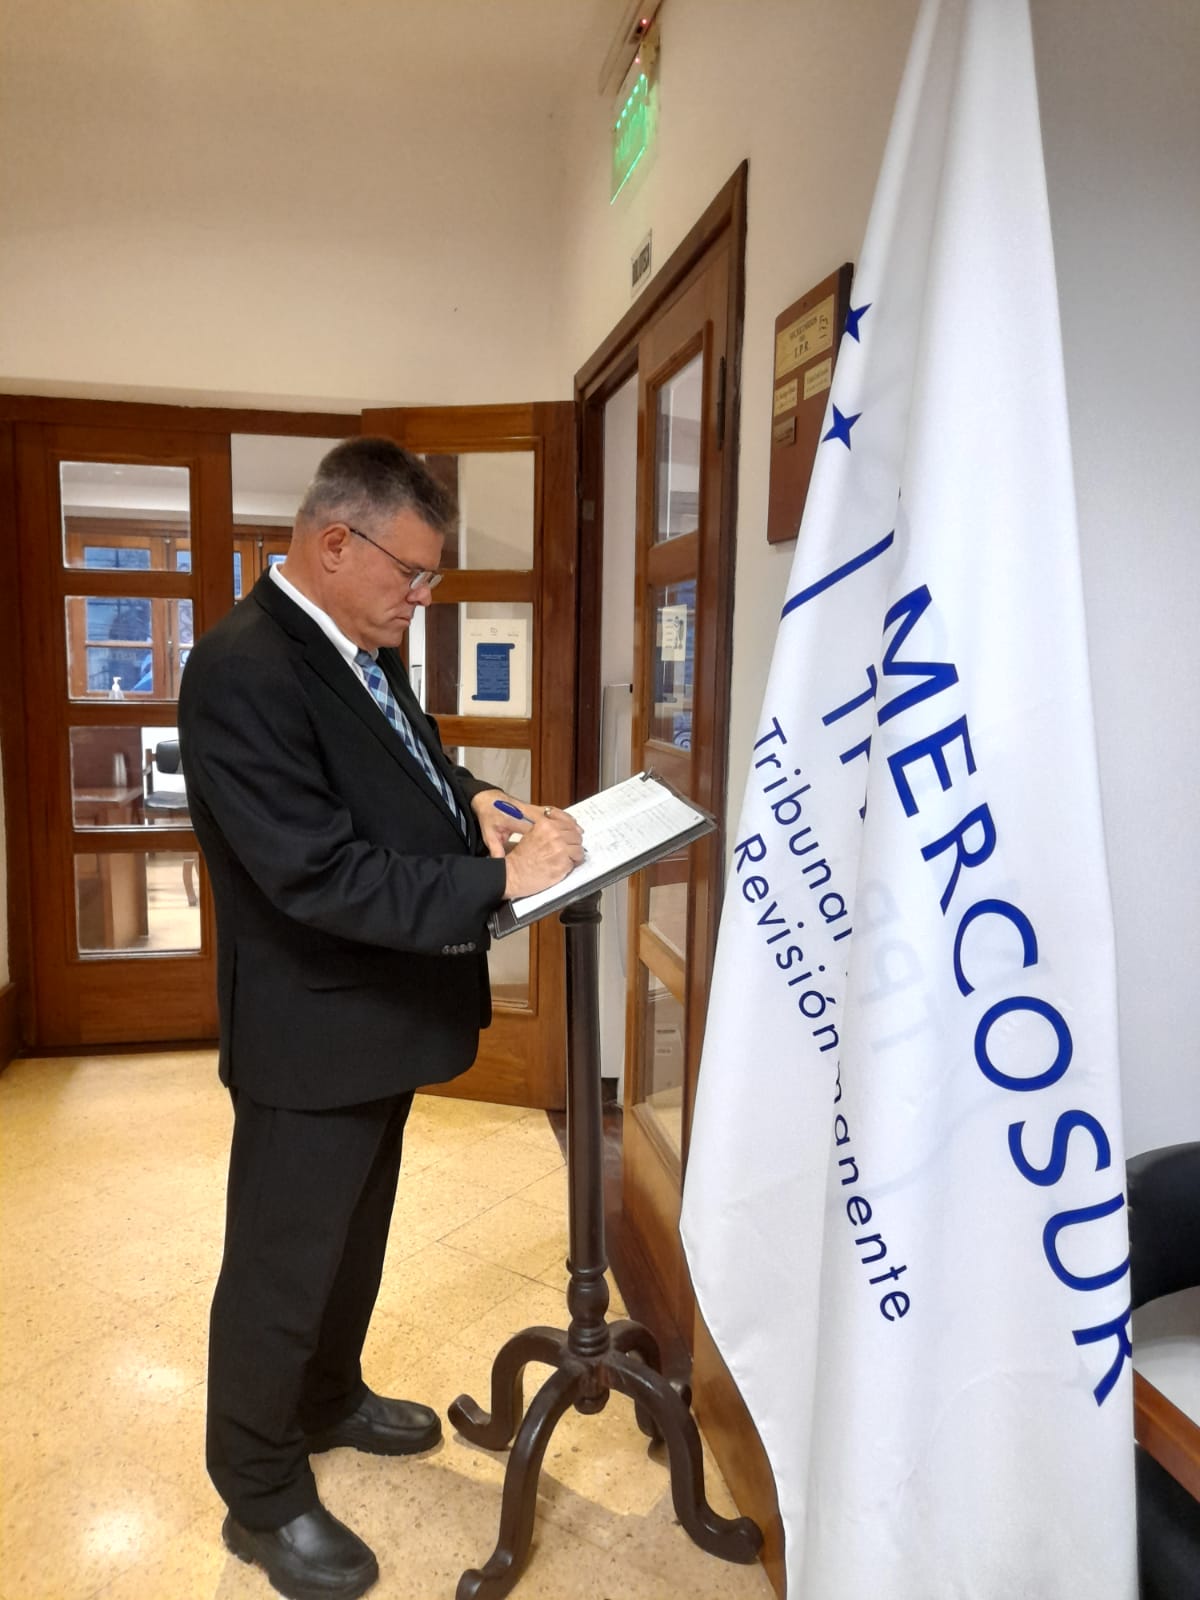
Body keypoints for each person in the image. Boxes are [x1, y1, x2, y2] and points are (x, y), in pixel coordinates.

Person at [178, 437, 584, 1600]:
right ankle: (259, 1492)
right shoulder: (243, 669)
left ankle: (325, 1397)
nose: (424, 596)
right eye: (412, 573)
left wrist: (477, 799)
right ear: (333, 542)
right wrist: (498, 881)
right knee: (280, 1266)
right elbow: (318, 871)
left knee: (350, 1239)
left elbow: (410, 767)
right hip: (310, 1031)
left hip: (376, 1016)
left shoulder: (360, 645)